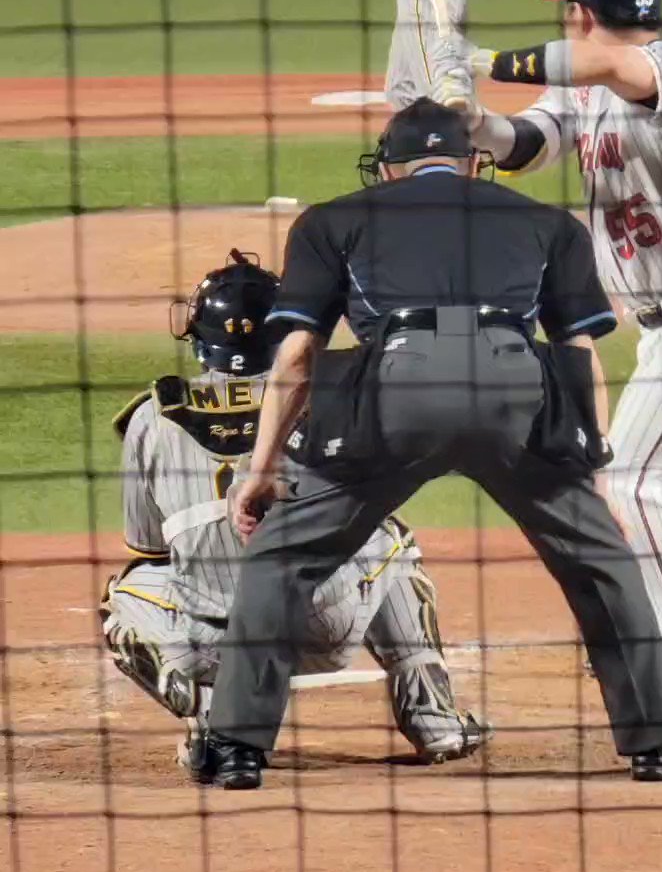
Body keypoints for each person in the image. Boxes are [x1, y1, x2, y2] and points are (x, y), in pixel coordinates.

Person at [200, 99, 662, 791]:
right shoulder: (547, 223)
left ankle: (236, 750)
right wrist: (595, 474)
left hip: (399, 390)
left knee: (280, 558)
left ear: (389, 169)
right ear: (474, 162)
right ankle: (658, 745)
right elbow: (578, 355)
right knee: (600, 561)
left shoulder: (333, 220)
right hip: (515, 392)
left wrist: (263, 469)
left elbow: (299, 355)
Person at [432, 0, 662, 708]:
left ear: (585, 11)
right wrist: (472, 119)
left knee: (639, 481)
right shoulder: (582, 90)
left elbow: (611, 68)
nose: (563, 20)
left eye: (568, 9)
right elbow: (526, 145)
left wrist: (482, 58)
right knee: (636, 479)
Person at [99, 249, 486, 770]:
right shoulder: (331, 393)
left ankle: (214, 718)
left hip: (212, 642)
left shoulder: (153, 416)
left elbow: (149, 549)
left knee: (123, 595)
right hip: (327, 623)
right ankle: (435, 723)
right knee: (391, 536)